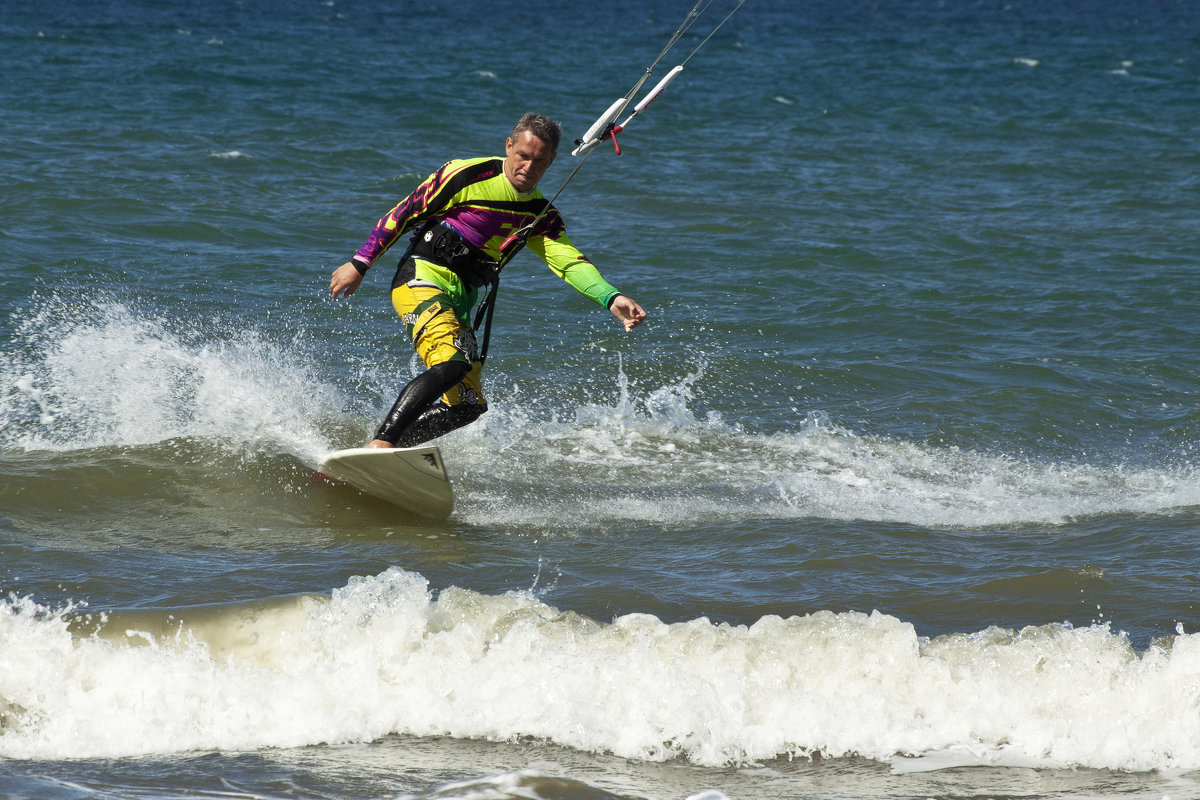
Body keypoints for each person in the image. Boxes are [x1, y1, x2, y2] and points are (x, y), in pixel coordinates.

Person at [329, 112, 647, 449]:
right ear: (509, 146)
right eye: (522, 155)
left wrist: (610, 297)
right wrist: (361, 262)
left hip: (462, 297)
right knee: (451, 363)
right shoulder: (466, 175)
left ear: (552, 161)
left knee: (467, 405)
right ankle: (382, 444)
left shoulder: (541, 214)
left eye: (539, 160)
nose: (528, 166)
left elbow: (569, 262)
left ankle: (380, 452)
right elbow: (406, 212)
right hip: (422, 277)